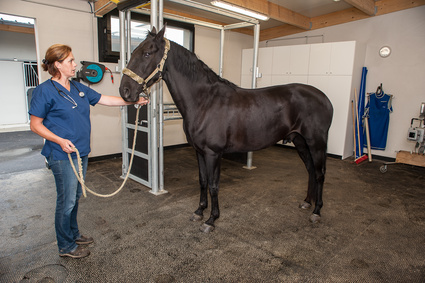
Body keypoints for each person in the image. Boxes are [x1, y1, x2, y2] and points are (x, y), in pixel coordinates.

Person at [29, 44, 148, 259]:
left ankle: (73, 234)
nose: (75, 65)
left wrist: (133, 101)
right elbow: (35, 124)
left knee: (74, 197)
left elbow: (105, 100)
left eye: (74, 61)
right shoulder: (44, 91)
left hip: (80, 152)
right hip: (61, 154)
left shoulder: (77, 87)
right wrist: (58, 140)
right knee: (66, 201)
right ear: (58, 65)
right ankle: (65, 246)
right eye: (70, 61)